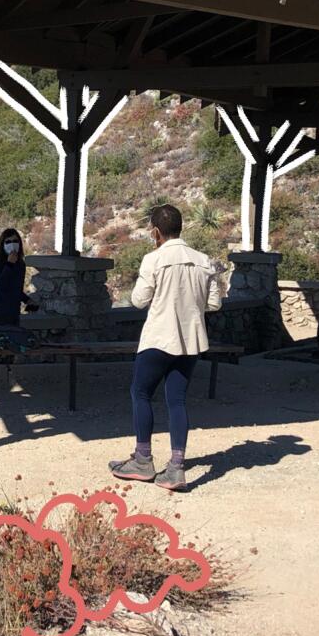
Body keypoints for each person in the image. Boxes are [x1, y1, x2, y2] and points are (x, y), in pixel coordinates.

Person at [110, 205, 223, 492]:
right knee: (177, 401)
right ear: (181, 227)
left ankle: (143, 459)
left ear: (156, 231)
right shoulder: (204, 261)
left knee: (141, 393)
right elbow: (213, 304)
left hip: (159, 338)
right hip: (191, 340)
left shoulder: (154, 259)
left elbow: (138, 299)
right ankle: (176, 467)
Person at [0, 227, 39, 330]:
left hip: (13, 314)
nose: (12, 244)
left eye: (15, 241)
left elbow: (15, 289)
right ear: (2, 244)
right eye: (8, 241)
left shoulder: (20, 264)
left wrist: (27, 300)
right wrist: (9, 264)